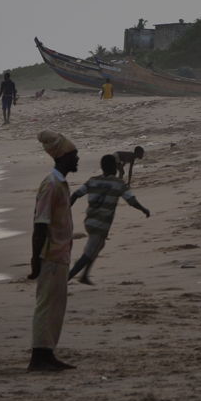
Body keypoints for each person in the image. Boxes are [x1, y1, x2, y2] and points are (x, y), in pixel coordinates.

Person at [27, 130, 80, 372]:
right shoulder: (50, 185)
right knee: (47, 306)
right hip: (51, 255)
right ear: (63, 157)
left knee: (56, 308)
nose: (77, 159)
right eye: (74, 155)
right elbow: (40, 225)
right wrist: (35, 261)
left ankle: (47, 354)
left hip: (60, 255)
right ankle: (38, 357)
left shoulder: (60, 183)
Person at [68, 154, 150, 284]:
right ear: (114, 168)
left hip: (90, 221)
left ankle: (84, 275)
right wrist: (143, 209)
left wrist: (66, 209)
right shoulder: (118, 183)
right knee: (88, 253)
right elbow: (131, 200)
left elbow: (76, 195)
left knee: (98, 246)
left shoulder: (93, 180)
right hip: (101, 224)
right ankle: (66, 279)